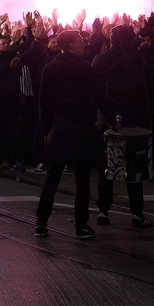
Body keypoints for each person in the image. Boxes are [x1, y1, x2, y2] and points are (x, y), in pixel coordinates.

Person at [34, 30, 103, 239]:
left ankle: (41, 223)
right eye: (80, 40)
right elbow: (99, 96)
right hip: (81, 127)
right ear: (72, 45)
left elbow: (44, 103)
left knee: (53, 177)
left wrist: (47, 130)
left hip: (60, 126)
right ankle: (81, 225)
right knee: (82, 180)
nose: (84, 43)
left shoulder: (50, 68)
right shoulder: (84, 68)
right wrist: (115, 118)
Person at [91, 24, 154, 229]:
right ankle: (136, 213)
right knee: (134, 170)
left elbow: (96, 91)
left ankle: (103, 210)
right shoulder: (137, 61)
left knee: (105, 168)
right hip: (132, 122)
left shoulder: (101, 60)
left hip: (107, 121)